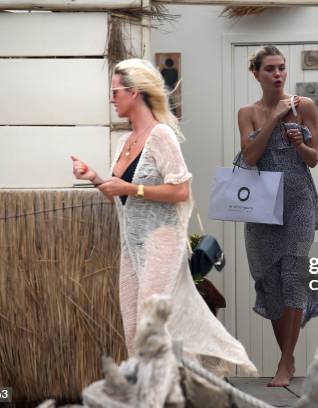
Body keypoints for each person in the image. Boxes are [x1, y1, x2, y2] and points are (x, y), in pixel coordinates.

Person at [71, 58, 256, 377]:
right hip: (131, 248)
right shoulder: (125, 142)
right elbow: (121, 194)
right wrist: (94, 178)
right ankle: (178, 388)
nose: (111, 98)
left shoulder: (161, 136)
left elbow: (180, 190)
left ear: (135, 93)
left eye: (115, 91)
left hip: (162, 242)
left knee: (151, 325)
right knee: (133, 328)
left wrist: (130, 186)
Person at [238, 45, 318, 387]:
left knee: (293, 274)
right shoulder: (248, 113)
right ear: (256, 73)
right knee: (270, 282)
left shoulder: (305, 106)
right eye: (270, 69)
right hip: (261, 204)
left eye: (281, 68)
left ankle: (285, 362)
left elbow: (313, 159)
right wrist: (273, 119)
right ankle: (288, 352)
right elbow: (250, 156)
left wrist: (300, 143)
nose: (278, 74)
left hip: (298, 199)